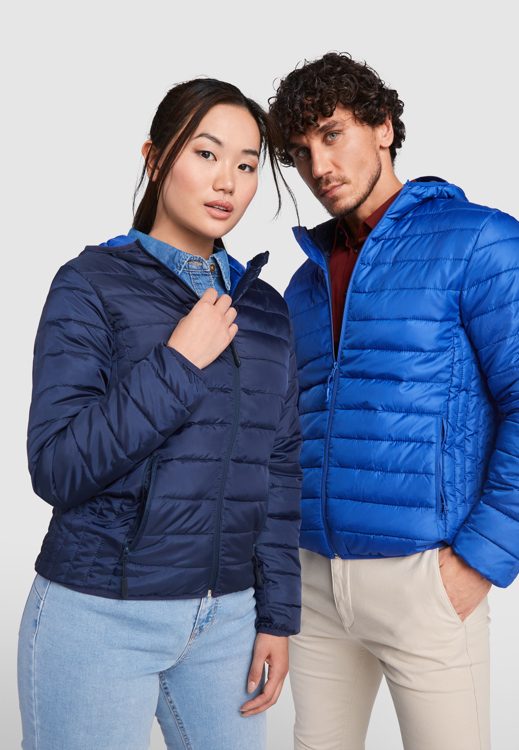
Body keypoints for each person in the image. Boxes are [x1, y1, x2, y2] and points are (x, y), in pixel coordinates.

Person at [269, 52, 519, 750]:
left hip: (425, 580)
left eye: (332, 134)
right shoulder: (305, 281)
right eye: (300, 152)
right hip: (313, 582)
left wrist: (477, 562)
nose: (319, 166)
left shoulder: (481, 240)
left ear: (383, 126)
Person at [19, 77, 302, 750]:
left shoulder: (266, 310)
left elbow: (280, 469)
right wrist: (177, 363)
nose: (227, 181)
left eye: (246, 165)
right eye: (206, 154)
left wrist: (276, 616)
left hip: (228, 623)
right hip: (100, 613)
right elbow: (56, 467)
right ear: (154, 158)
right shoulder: (90, 284)